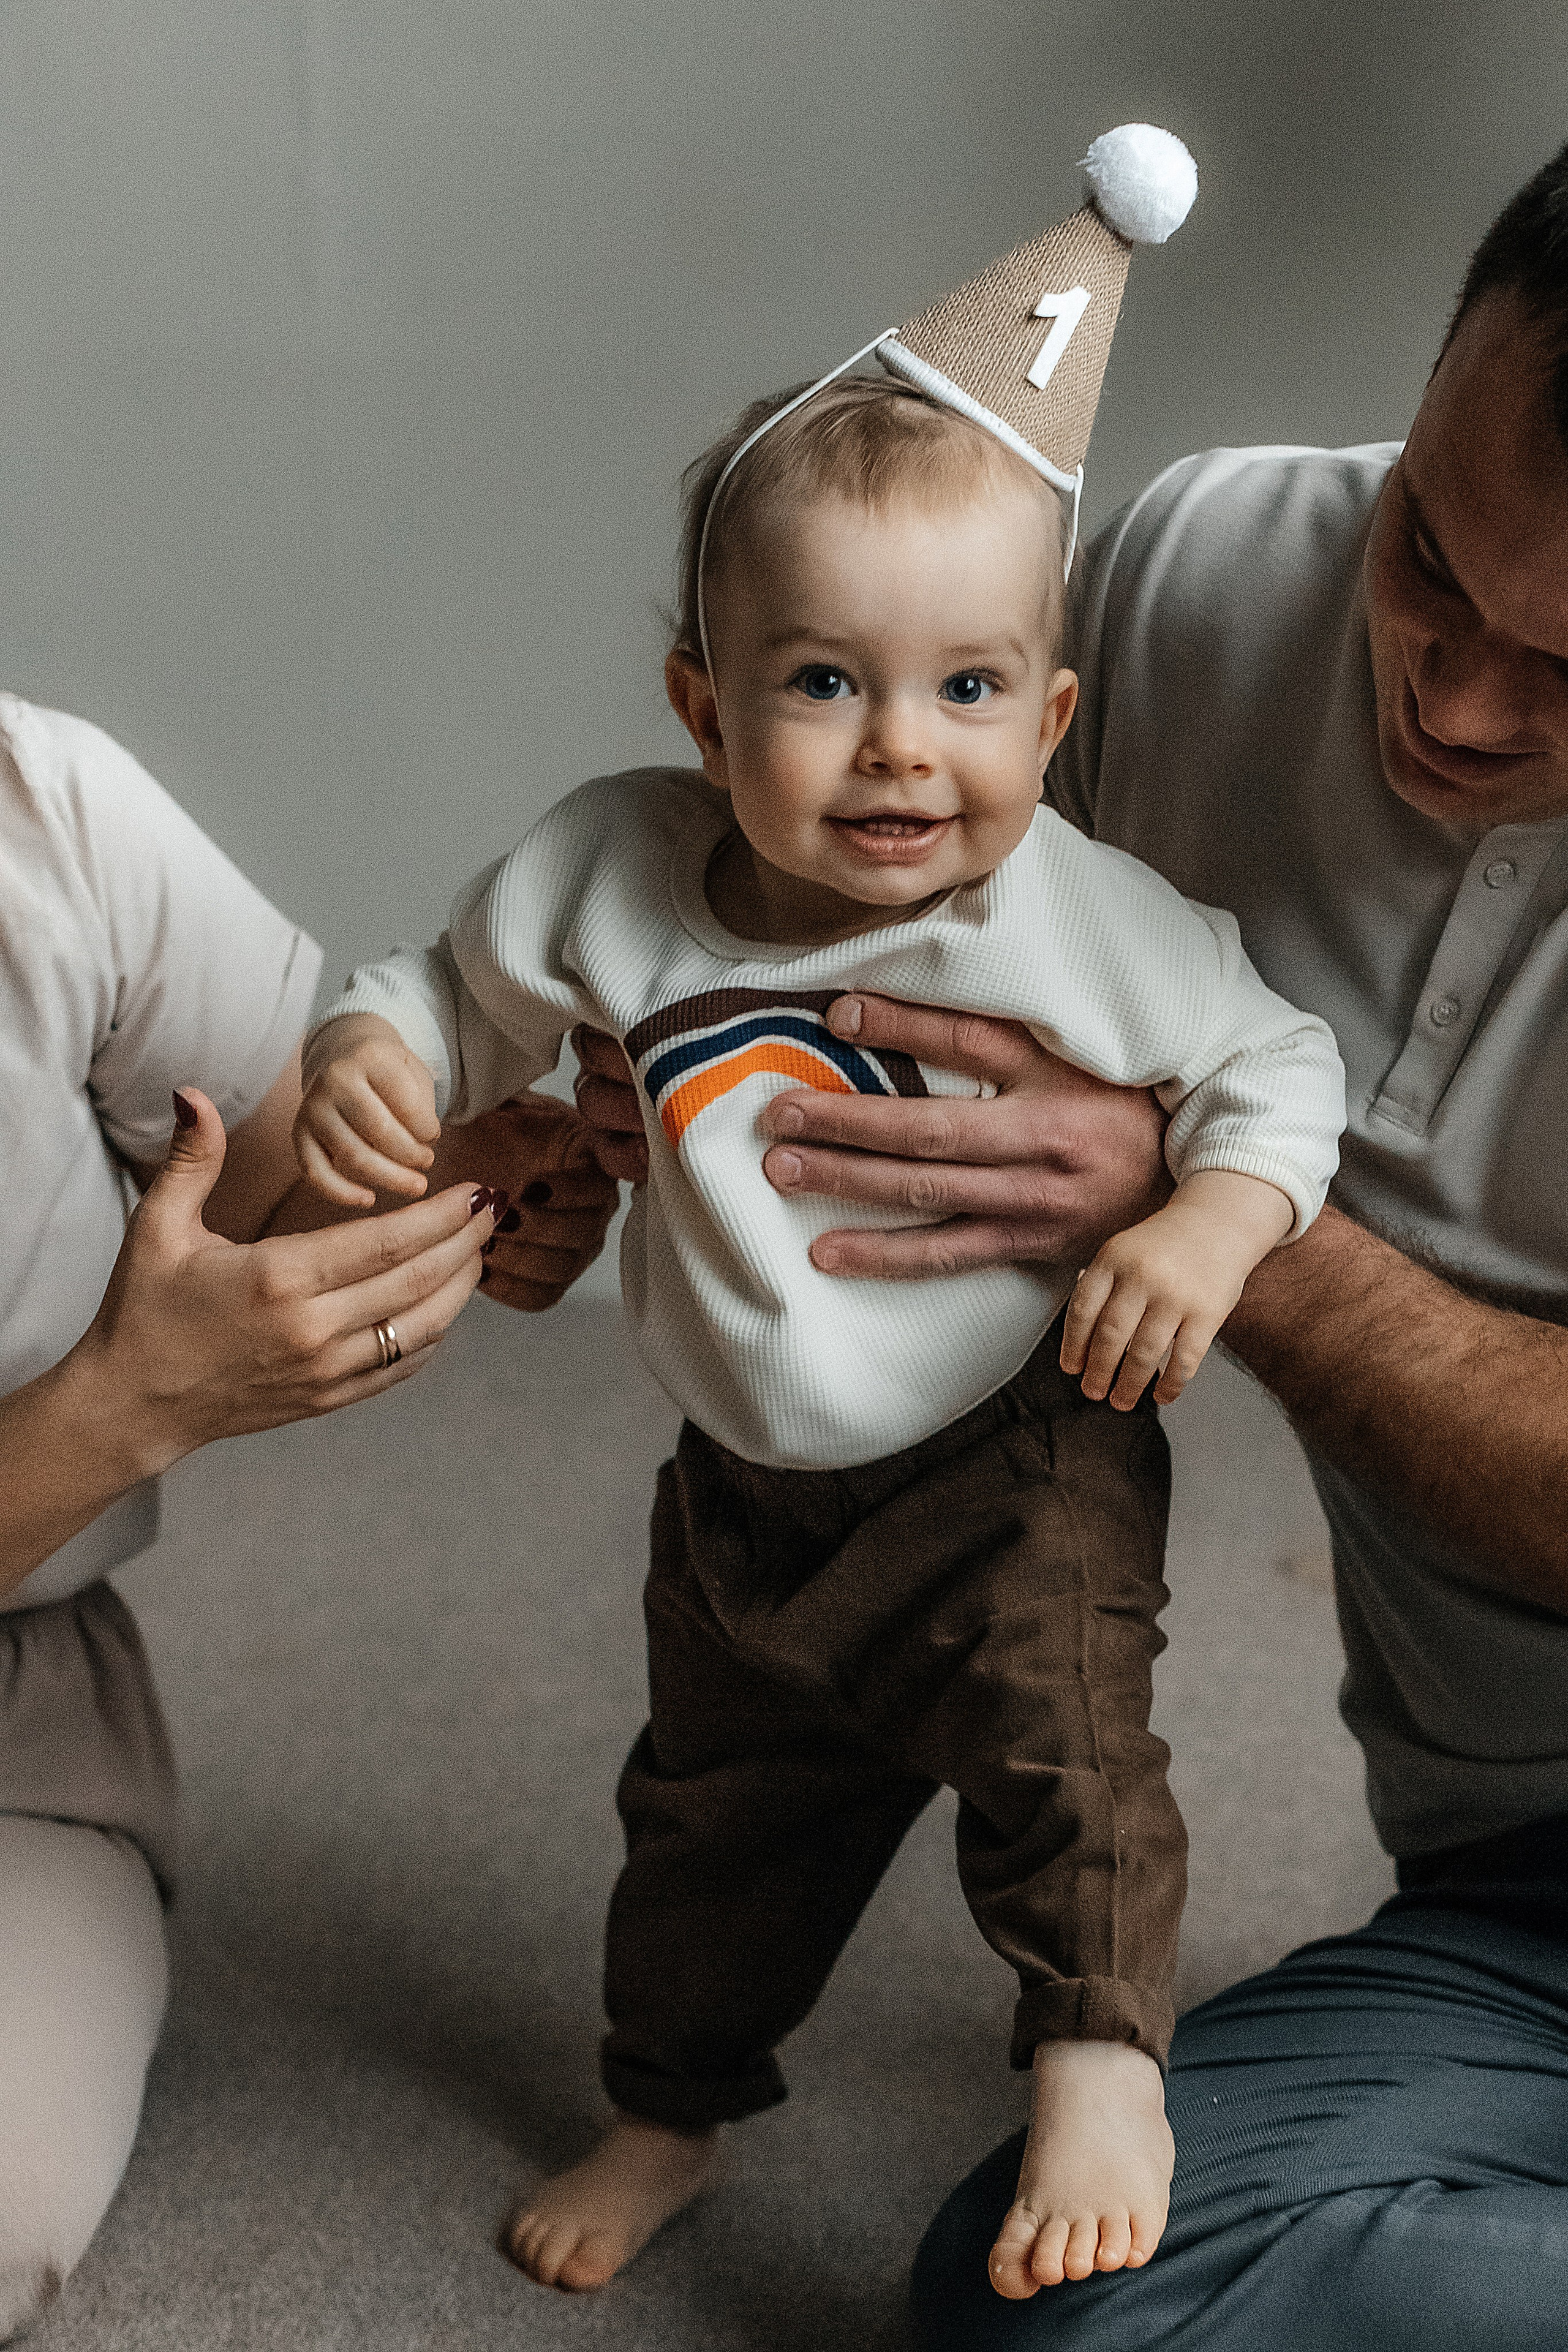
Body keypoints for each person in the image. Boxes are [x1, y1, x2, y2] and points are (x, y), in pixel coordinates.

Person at [293, 131, 1348, 2301]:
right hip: (744, 1486)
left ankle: (1099, 2058)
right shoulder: (607, 875)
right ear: (704, 707)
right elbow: (444, 996)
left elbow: (1281, 1065)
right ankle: (670, 2108)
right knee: (708, 1825)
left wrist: (1208, 1228)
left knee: (1066, 1753)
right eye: (821, 682)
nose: (901, 754)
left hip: (1015, 1449)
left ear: (1053, 716)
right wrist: (371, 1060)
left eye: (971, 689)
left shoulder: (1070, 916)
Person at [578, 143, 1568, 2348]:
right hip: (1517, 1902)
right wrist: (642, 1089)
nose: (1459, 701)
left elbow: (1186, 1119)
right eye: (1433, 552)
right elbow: (904, 930)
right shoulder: (1200, 574)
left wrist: (1212, 1221)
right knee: (1059, 2309)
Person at [0, 692, 617, 2342]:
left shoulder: (43, 816)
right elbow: (142, 1382)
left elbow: (266, 1185)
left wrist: (453, 1188)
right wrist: (118, 1410)